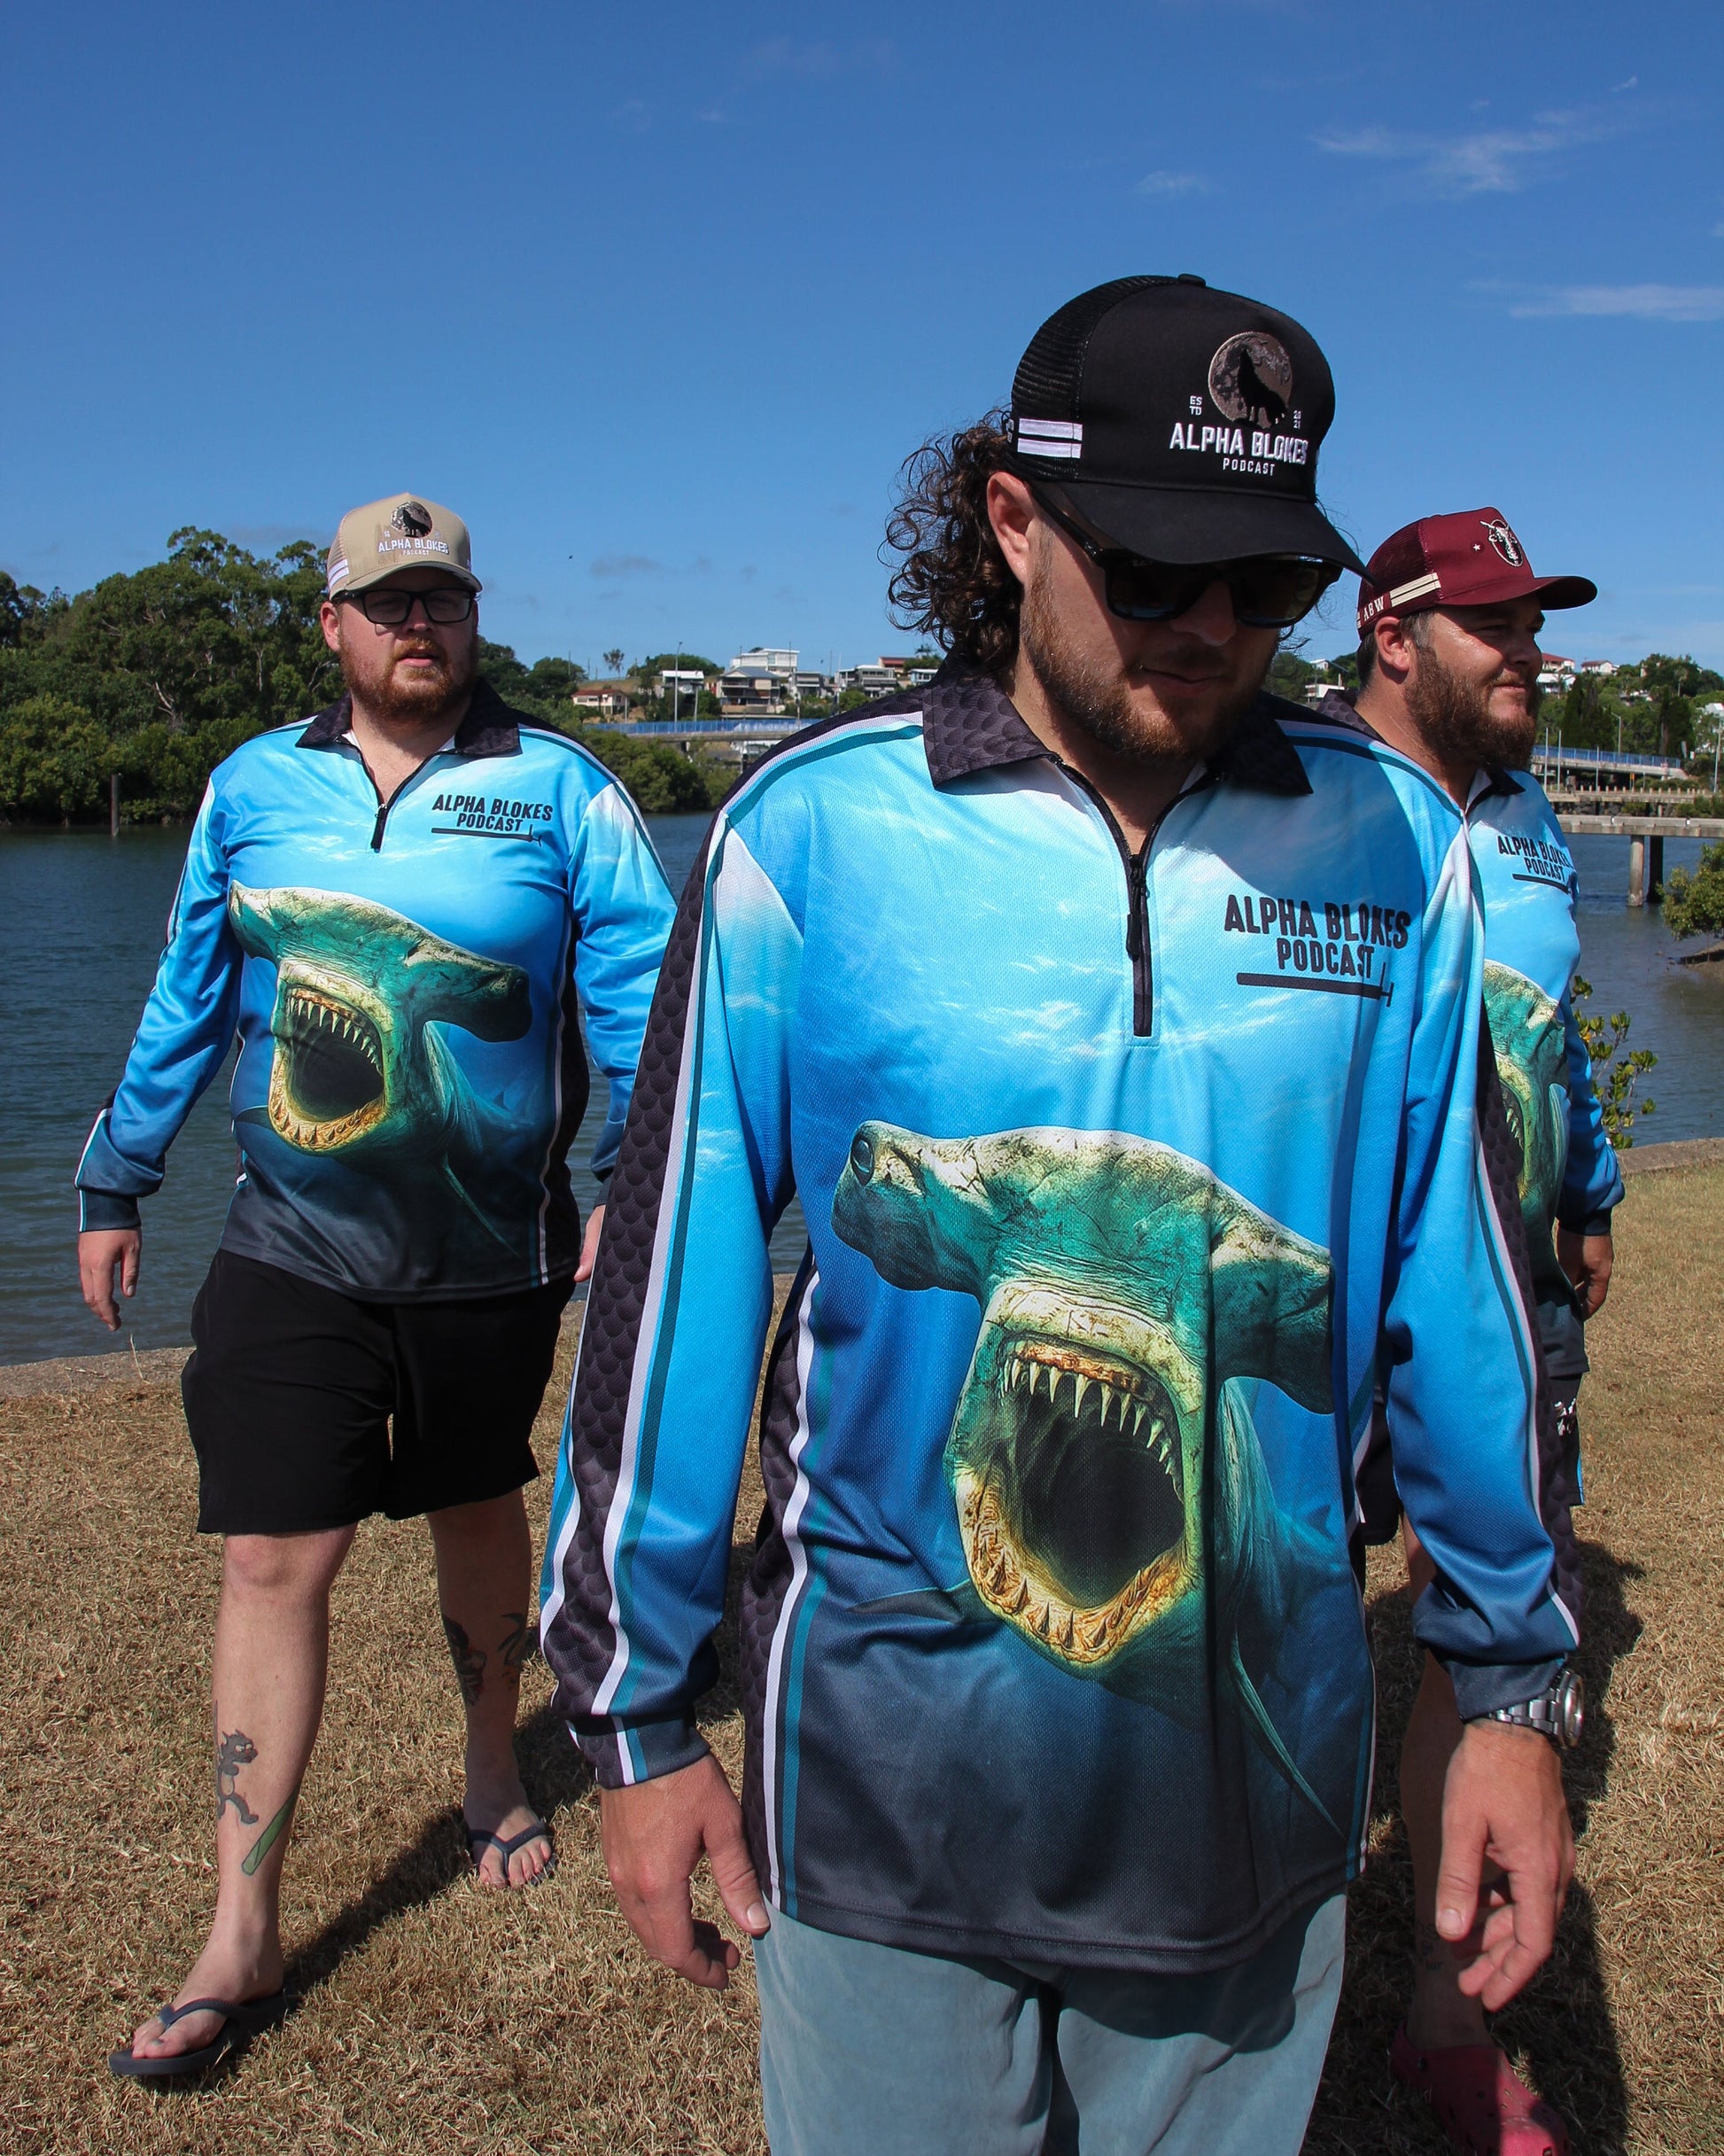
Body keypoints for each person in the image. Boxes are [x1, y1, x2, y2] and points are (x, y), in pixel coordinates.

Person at [541, 276, 1580, 2155]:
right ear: (1014, 522)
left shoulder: (1393, 849)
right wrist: (634, 1714)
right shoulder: (810, 832)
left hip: (1244, 1815)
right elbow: (674, 1283)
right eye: (1153, 567)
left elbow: (1457, 1287)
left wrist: (1509, 1675)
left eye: (1259, 586)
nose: (1206, 629)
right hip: (874, 1785)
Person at [78, 494, 675, 2078]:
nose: (423, 625)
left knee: (479, 1512)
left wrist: (630, 1185)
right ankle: (240, 1922)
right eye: (389, 602)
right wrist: (115, 1176)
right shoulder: (251, 787)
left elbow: (647, 1006)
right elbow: (188, 995)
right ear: (332, 625)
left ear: (474, 620)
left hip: (493, 1256)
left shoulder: (561, 786)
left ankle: (494, 1761)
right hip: (288, 1243)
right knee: (277, 1553)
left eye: (447, 600)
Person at [1324, 510, 1620, 2156]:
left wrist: (1590, 1197)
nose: (1533, 654)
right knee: (1280, 1608)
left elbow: (1557, 1030)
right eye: (1498, 625)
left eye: (1538, 624)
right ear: (1392, 632)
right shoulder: (1293, 801)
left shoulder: (1526, 815)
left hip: (1505, 1307)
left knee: (1482, 1620)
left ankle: (1442, 2018)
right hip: (1318, 1306)